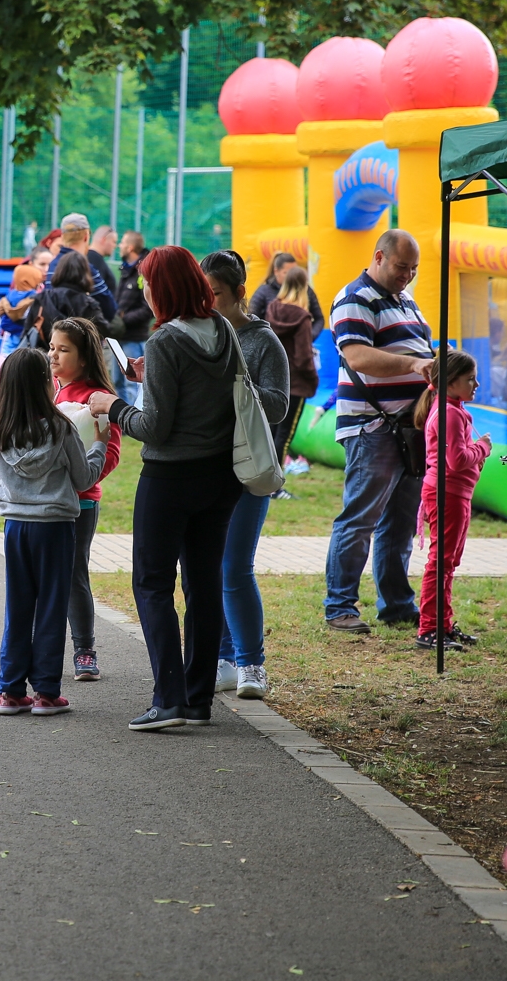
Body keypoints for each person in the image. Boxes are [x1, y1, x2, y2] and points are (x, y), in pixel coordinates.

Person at [85, 246, 241, 731]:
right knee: (204, 585)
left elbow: (154, 427)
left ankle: (168, 699)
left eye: (148, 284)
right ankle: (197, 700)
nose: (145, 292)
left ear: (165, 288)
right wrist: (150, 376)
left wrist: (111, 406)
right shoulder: (223, 329)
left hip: (170, 479)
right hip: (220, 476)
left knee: (152, 583)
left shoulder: (165, 340)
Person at [0, 346, 108, 716]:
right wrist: (99, 444)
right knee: (50, 608)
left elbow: (6, 474)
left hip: (15, 528)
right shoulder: (61, 428)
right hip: (55, 527)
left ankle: (10, 691)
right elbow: (84, 478)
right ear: (45, 383)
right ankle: (46, 692)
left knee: (18, 607)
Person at [322, 229, 434, 634]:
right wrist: (414, 364)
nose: (408, 275)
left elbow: (419, 350)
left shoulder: (405, 300)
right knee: (360, 519)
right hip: (373, 426)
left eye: (414, 269)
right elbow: (358, 356)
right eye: (402, 266)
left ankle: (397, 605)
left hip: (408, 428)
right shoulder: (355, 298)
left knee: (400, 524)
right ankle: (339, 607)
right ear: (379, 257)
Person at [200, 250, 291, 700]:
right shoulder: (201, 335)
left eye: (215, 294)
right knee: (210, 569)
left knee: (235, 568)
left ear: (239, 292)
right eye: (202, 294)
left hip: (248, 469)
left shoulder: (264, 342)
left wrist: (238, 383)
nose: (207, 303)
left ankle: (252, 663)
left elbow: (278, 406)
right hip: (207, 466)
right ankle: (223, 660)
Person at [46, 317, 121, 682]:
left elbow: (110, 452)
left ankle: (85, 650)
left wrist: (82, 479)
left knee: (75, 575)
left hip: (81, 503)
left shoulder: (96, 399)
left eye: (63, 350)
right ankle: (44, 651)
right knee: (47, 578)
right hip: (47, 502)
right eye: (51, 347)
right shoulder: (52, 392)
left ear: (85, 358)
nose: (53, 355)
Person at [411, 352, 490, 653]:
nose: (476, 384)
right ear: (451, 382)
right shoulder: (450, 413)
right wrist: (482, 448)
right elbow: (456, 460)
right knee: (441, 562)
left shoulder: (453, 409)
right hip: (448, 493)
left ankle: (442, 624)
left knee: (448, 562)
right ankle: (429, 629)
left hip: (457, 494)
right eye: (470, 379)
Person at [263, 265, 319, 474]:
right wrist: (312, 378)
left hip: (272, 381)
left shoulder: (272, 309)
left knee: (270, 432)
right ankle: (275, 483)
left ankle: (263, 479)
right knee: (284, 436)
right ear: (304, 287)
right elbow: (303, 357)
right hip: (295, 385)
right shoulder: (302, 317)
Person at [44, 213, 118, 320]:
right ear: (86, 236)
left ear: (63, 236)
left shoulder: (52, 266)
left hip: (53, 327)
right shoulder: (86, 269)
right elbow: (109, 309)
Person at [35, 251, 109, 342]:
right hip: (75, 350)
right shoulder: (88, 303)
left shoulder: (42, 297)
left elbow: (29, 328)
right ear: (85, 273)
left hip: (42, 349)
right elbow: (103, 330)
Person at [114, 231, 153, 404]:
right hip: (120, 337)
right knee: (117, 382)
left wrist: (123, 320)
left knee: (133, 383)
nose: (119, 245)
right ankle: (122, 418)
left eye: (122, 242)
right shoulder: (126, 270)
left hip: (134, 338)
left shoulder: (143, 272)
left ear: (130, 247)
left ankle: (134, 416)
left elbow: (147, 309)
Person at [248, 250, 325, 336]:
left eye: (294, 271)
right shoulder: (264, 292)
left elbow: (319, 318)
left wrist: (308, 336)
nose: (292, 276)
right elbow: (252, 320)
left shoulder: (305, 290)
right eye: (287, 273)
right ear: (276, 271)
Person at [0, 261, 45, 353]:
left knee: (7, 351)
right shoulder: (33, 296)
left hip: (10, 330)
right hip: (24, 332)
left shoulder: (11, 294)